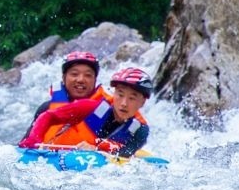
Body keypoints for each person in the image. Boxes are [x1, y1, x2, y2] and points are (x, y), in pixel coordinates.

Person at [20, 67, 153, 156]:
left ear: (142, 102)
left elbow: (124, 156)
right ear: (114, 94)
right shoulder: (90, 107)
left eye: (132, 98)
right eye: (120, 94)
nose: (124, 103)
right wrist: (32, 142)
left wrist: (96, 150)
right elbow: (48, 116)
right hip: (55, 156)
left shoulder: (140, 130)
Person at [25, 49, 102, 129]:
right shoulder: (45, 109)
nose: (80, 80)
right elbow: (28, 140)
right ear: (64, 78)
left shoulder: (107, 113)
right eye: (74, 74)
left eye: (88, 75)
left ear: (95, 80)